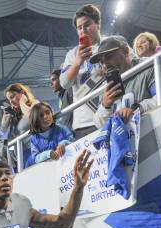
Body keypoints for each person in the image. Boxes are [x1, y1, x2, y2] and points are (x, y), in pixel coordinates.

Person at [91, 35, 161, 128]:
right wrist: (105, 107)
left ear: (125, 51)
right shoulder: (105, 86)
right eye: (101, 62)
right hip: (125, 141)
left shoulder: (151, 65)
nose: (105, 65)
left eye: (109, 57)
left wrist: (137, 109)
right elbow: (99, 126)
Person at [60, 4, 104, 139]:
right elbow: (64, 83)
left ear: (98, 24)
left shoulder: (110, 43)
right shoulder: (72, 54)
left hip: (108, 114)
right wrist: (78, 61)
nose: (83, 30)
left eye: (87, 25)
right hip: (82, 123)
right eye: (79, 28)